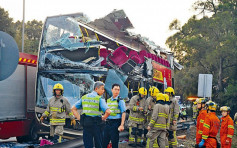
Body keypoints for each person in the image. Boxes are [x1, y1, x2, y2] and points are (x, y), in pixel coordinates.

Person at [71, 81, 111, 148]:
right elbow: (108, 112)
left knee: (88, 145)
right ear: (96, 89)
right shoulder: (99, 98)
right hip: (97, 125)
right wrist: (103, 118)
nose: (103, 91)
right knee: (99, 144)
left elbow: (73, 108)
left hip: (86, 124)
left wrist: (80, 119)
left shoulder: (84, 97)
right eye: (102, 89)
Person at [103, 84, 126, 148]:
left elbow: (123, 113)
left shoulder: (120, 100)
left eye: (118, 90)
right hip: (107, 122)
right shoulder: (108, 100)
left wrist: (122, 125)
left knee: (114, 142)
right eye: (115, 89)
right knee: (104, 141)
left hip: (115, 123)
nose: (117, 91)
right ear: (112, 90)